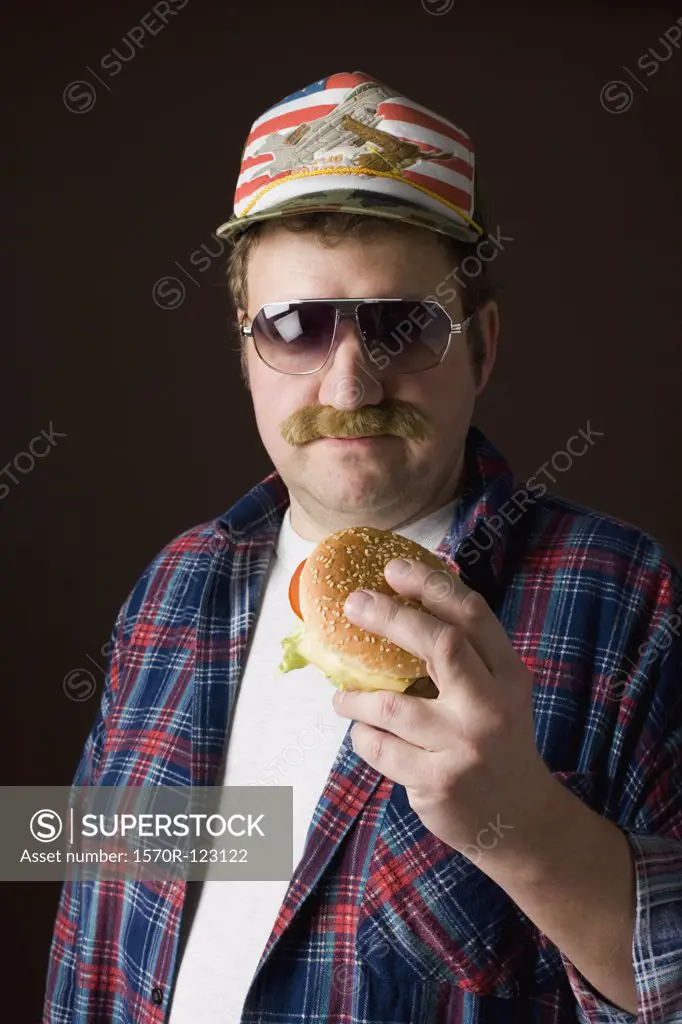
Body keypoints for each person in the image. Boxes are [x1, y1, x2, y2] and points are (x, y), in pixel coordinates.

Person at [43, 70, 682, 1024]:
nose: (349, 387)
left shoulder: (628, 601)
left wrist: (531, 829)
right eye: (294, 327)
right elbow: (98, 926)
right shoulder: (174, 587)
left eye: (404, 325)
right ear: (246, 350)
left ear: (483, 346)